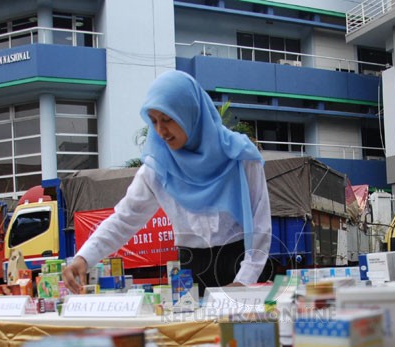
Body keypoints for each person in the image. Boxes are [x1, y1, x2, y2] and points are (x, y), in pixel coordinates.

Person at [62, 70, 272, 296]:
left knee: (242, 332)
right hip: (192, 274)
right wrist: (84, 257)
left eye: (168, 119)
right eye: (153, 121)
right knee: (193, 332)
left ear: (190, 112)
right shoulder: (157, 168)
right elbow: (124, 218)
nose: (161, 131)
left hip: (242, 268)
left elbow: (260, 222)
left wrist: (244, 281)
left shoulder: (240, 157)